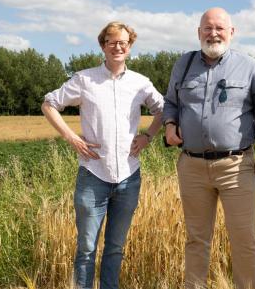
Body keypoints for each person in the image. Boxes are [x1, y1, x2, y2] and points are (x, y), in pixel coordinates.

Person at [41, 21, 164, 289]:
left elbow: (163, 110)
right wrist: (71, 137)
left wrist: (148, 136)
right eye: (112, 42)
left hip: (129, 178)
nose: (118, 47)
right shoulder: (85, 79)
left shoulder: (140, 83)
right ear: (102, 45)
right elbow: (49, 104)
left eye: (123, 42)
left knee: (115, 248)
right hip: (93, 175)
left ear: (130, 47)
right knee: (86, 248)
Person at [163, 7, 255, 289]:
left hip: (236, 166)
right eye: (207, 28)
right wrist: (169, 124)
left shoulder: (251, 67)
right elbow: (171, 103)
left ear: (231, 32)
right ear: (198, 32)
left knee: (244, 239)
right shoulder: (184, 64)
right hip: (192, 166)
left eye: (219, 28)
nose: (213, 33)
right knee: (196, 239)